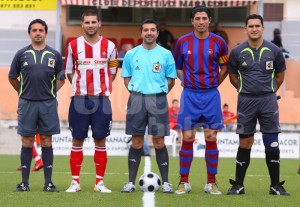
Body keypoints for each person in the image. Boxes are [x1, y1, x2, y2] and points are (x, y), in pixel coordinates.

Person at [226, 14, 290, 196]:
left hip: (268, 101)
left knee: (272, 142)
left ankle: (275, 185)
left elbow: (280, 76)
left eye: (257, 26)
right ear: (245, 29)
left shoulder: (275, 50)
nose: (254, 29)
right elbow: (232, 76)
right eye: (250, 26)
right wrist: (246, 89)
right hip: (245, 101)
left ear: (262, 28)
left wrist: (268, 92)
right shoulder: (237, 52)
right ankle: (238, 185)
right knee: (245, 141)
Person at [173, 5, 229, 195]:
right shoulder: (182, 42)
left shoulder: (220, 42)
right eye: (197, 18)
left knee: (211, 136)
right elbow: (178, 68)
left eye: (204, 18)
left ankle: (211, 182)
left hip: (211, 95)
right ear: (192, 21)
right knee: (187, 137)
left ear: (209, 20)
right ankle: (183, 182)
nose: (201, 22)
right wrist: (188, 83)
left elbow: (225, 67)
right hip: (189, 95)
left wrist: (214, 84)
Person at [64, 9, 118, 193]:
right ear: (82, 24)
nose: (90, 25)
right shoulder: (73, 46)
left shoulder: (110, 46)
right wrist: (80, 88)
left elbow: (112, 71)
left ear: (99, 23)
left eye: (93, 22)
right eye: (87, 22)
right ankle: (75, 182)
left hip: (102, 99)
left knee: (100, 140)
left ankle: (99, 183)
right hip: (79, 98)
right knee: (77, 139)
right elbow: (69, 71)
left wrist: (99, 88)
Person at [120, 18, 177, 193]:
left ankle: (166, 183)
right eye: (146, 30)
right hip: (136, 99)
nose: (149, 33)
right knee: (137, 140)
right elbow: (126, 78)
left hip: (158, 99)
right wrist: (137, 93)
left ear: (157, 33)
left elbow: (171, 80)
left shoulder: (166, 54)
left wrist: (156, 93)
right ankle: (130, 182)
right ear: (141, 33)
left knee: (159, 141)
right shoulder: (131, 54)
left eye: (153, 30)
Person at [9, 19, 65, 192]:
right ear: (30, 33)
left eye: (41, 30)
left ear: (46, 33)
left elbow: (61, 79)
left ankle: (48, 183)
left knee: (47, 141)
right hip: (27, 104)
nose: (38, 33)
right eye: (34, 30)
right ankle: (24, 183)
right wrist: (22, 93)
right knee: (27, 141)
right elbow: (12, 77)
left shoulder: (54, 55)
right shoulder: (21, 54)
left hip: (48, 104)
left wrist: (50, 93)